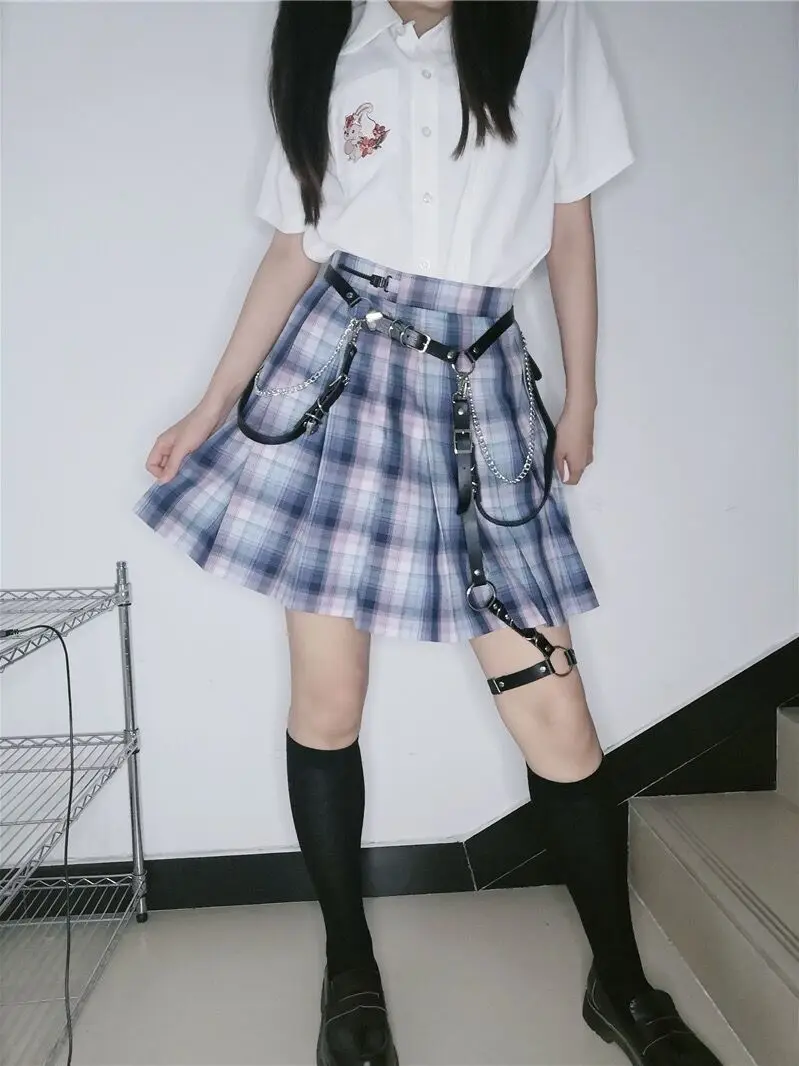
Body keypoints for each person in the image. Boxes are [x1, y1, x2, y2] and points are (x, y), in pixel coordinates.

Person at [135, 2, 723, 1064]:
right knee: (327, 702)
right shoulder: (329, 35)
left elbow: (569, 219)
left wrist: (581, 394)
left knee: (558, 721)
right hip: (340, 378)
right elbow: (295, 244)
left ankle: (621, 984)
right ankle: (348, 969)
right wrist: (210, 402)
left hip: (480, 380)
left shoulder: (543, 20)